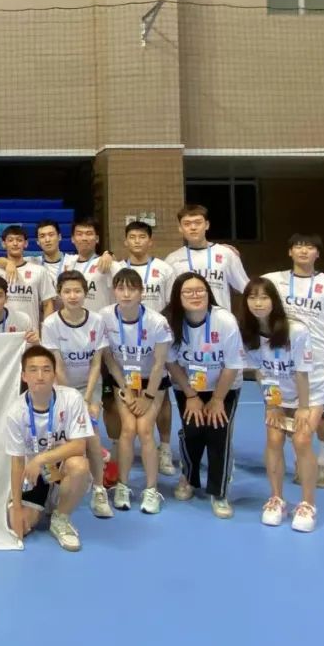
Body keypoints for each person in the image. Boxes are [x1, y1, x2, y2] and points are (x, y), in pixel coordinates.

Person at [262, 234, 324, 488]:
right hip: (286, 361)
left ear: (317, 254)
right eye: (298, 246)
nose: (303, 251)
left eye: (310, 247)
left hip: (322, 360)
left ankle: (323, 463)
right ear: (290, 252)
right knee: (290, 414)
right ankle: (300, 462)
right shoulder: (273, 281)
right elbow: (249, 292)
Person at [238, 277, 324, 532]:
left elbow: (302, 372)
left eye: (264, 297)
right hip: (277, 392)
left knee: (302, 440)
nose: (258, 303)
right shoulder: (248, 333)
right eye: (252, 297)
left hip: (309, 391)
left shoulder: (295, 330)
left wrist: (303, 408)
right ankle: (276, 499)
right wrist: (272, 404)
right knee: (274, 439)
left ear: (274, 300)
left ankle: (308, 504)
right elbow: (261, 372)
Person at [164, 272, 246, 518]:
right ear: (178, 297)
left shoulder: (225, 321)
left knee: (218, 432)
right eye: (188, 291)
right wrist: (191, 396)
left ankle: (219, 492)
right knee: (192, 430)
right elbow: (171, 363)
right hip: (187, 386)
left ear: (208, 293)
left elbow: (232, 365)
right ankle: (188, 478)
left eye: (200, 290)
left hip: (224, 386)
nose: (195, 295)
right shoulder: (170, 322)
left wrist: (218, 399)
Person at [98, 269, 173, 514]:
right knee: (128, 429)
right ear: (114, 291)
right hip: (124, 380)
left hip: (153, 381)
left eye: (132, 289)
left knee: (145, 430)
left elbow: (160, 364)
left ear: (142, 292)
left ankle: (151, 490)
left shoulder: (157, 322)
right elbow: (110, 360)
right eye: (121, 288)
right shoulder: (105, 317)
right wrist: (127, 391)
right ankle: (123, 485)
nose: (126, 294)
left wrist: (148, 397)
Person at [6, 344, 93, 552]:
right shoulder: (16, 412)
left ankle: (61, 517)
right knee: (22, 527)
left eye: (46, 370)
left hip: (59, 470)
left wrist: (41, 459)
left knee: (80, 465)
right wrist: (17, 508)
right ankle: (43, 505)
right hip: (33, 476)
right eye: (33, 370)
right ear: (24, 376)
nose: (40, 376)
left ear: (54, 374)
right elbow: (17, 463)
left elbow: (79, 445)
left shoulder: (71, 398)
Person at [39, 270, 110, 517]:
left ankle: (99, 489)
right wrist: (73, 400)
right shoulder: (51, 324)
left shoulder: (97, 321)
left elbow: (96, 363)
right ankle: (53, 488)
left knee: (92, 436)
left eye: (77, 291)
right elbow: (57, 365)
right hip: (61, 387)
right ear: (59, 294)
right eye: (67, 291)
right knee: (56, 437)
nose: (72, 296)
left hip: (89, 387)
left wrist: (88, 399)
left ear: (85, 293)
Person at [122, 220, 178, 476]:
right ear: (125, 242)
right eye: (132, 237)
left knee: (162, 396)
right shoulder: (117, 268)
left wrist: (160, 330)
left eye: (142, 237)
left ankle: (164, 448)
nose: (137, 241)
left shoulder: (164, 269)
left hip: (157, 339)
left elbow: (172, 303)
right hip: (126, 345)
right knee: (129, 393)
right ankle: (127, 446)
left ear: (150, 241)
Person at [165, 204, 249, 312]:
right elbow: (169, 298)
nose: (193, 227)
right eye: (187, 224)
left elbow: (245, 288)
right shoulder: (172, 259)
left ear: (207, 225)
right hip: (187, 319)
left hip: (220, 318)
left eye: (198, 222)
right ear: (180, 228)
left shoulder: (226, 254)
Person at [0, 225, 56, 331]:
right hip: (3, 333)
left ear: (26, 243)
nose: (15, 243)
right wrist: (8, 263)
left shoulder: (39, 271)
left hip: (30, 334)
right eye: (10, 240)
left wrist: (46, 333)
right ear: (3, 244)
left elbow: (48, 304)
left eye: (19, 240)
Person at [63, 218, 116, 314]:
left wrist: (110, 254)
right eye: (79, 234)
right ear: (72, 239)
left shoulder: (108, 263)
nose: (84, 238)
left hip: (101, 321)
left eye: (89, 233)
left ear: (97, 239)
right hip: (75, 320)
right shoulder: (70, 266)